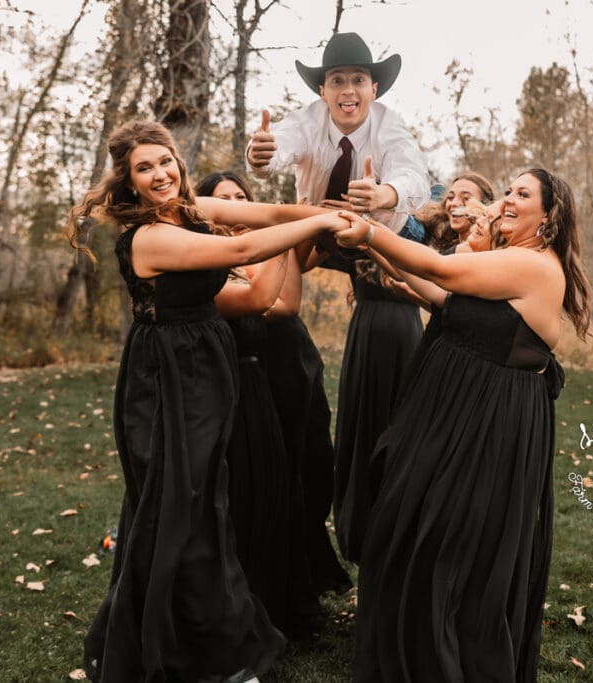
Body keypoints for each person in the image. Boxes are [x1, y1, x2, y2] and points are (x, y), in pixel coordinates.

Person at [68, 120, 349, 683]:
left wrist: (325, 212)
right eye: (144, 169)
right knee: (180, 508)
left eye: (164, 161)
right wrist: (318, 220)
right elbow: (245, 248)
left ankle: (210, 640)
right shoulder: (148, 237)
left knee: (205, 505)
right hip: (167, 379)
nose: (160, 174)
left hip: (206, 369)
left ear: (178, 161)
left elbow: (266, 217)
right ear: (129, 182)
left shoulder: (191, 210)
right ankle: (193, 651)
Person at [335, 168, 592, 682]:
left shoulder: (535, 266)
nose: (509, 199)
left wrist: (369, 231)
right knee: (409, 530)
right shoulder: (507, 259)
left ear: (550, 215)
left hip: (489, 426)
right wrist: (379, 248)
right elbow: (443, 297)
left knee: (448, 544)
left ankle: (445, 662)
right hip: (458, 415)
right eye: (509, 191)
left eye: (523, 194)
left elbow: (442, 271)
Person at [245, 31, 432, 567]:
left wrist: (386, 195)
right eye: (336, 81)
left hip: (382, 237)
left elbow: (414, 173)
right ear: (323, 90)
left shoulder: (389, 125)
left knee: (398, 308)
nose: (347, 91)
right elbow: (277, 146)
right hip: (321, 228)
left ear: (373, 87)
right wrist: (261, 156)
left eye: (357, 80)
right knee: (276, 270)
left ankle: (390, 507)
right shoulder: (308, 119)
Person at [194, 170, 322, 633]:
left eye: (240, 198)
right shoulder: (203, 261)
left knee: (275, 490)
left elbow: (286, 303)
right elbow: (266, 301)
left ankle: (272, 599)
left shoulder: (252, 250)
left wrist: (287, 227)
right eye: (222, 200)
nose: (234, 207)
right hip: (219, 394)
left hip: (266, 385)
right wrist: (283, 232)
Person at [416, 171, 496, 251]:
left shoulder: (487, 250)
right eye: (450, 197)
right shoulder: (437, 239)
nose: (454, 203)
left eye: (466, 198)